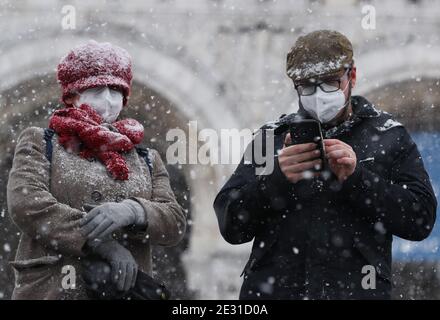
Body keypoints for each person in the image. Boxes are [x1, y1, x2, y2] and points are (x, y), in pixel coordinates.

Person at [213, 30, 437, 299]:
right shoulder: (270, 138)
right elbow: (231, 224)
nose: (318, 95)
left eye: (330, 83)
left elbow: (420, 219)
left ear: (351, 77)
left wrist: (356, 178)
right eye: (307, 86)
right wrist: (276, 179)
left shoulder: (388, 135)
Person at [7, 40, 186, 299]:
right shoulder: (42, 142)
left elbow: (174, 221)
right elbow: (28, 204)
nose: (108, 100)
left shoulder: (147, 158)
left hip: (121, 291)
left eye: (115, 91)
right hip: (55, 289)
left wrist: (132, 211)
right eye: (96, 89)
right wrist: (98, 243)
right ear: (73, 95)